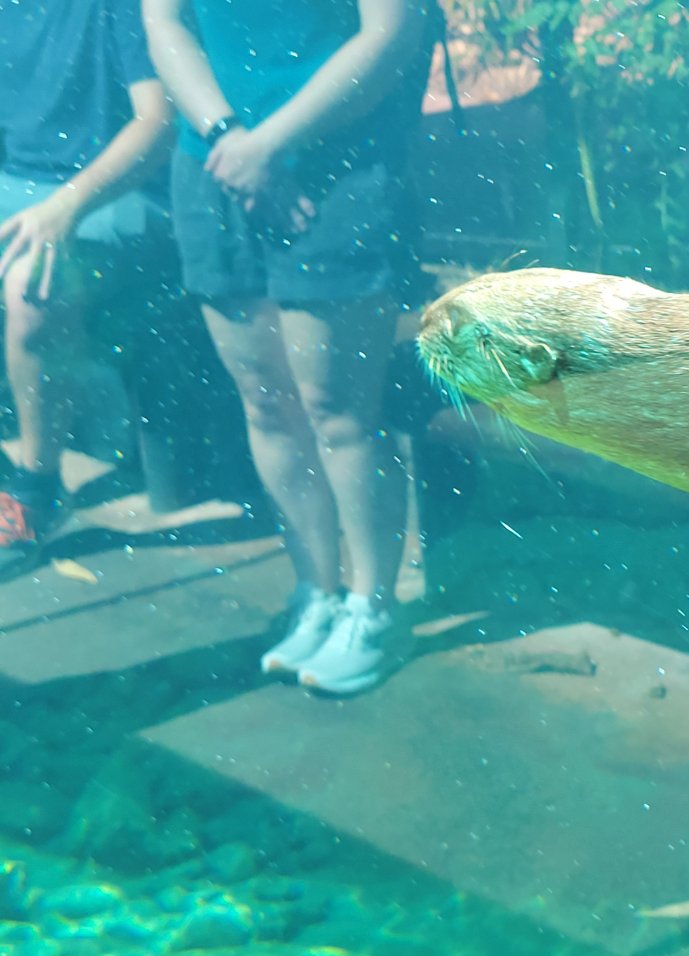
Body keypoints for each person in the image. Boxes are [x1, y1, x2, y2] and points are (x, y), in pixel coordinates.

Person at [142, 0, 435, 695]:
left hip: (337, 172)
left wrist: (268, 144)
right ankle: (318, 591)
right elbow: (165, 21)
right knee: (268, 404)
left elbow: (390, 34)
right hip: (214, 167)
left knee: (340, 412)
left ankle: (373, 609)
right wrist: (227, 134)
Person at [0, 0, 174, 567]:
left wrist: (66, 206)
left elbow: (157, 121)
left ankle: (37, 489)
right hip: (18, 187)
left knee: (34, 288)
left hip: (116, 193)